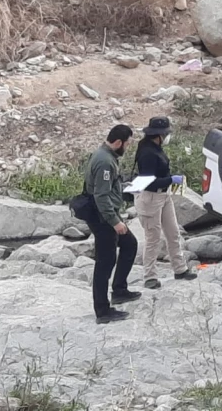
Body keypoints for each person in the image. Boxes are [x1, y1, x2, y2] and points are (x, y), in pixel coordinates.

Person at [83, 124, 141, 324]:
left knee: (129, 244)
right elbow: (101, 196)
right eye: (127, 144)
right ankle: (102, 311)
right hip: (103, 218)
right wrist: (115, 222)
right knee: (105, 262)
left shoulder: (105, 156)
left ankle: (120, 290)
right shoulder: (105, 162)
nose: (127, 147)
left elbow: (107, 188)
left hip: (108, 214)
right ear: (118, 143)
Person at [133, 116, 198, 289]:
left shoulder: (154, 146)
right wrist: (171, 180)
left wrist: (169, 181)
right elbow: (149, 182)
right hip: (151, 198)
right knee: (153, 238)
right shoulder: (147, 152)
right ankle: (150, 277)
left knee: (173, 232)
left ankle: (180, 268)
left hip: (164, 196)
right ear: (159, 134)